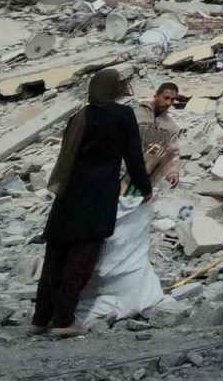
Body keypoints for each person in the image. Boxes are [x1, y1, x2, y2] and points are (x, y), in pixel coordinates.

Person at [32, 69, 151, 337]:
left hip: (68, 193)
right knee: (81, 259)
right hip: (97, 194)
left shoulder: (79, 117)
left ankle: (40, 319)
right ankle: (63, 321)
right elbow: (134, 156)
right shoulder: (122, 115)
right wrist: (144, 188)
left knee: (55, 257)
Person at [134, 82, 180, 189]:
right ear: (156, 97)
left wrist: (172, 173)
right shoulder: (135, 115)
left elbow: (172, 152)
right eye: (166, 98)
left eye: (172, 100)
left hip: (146, 177)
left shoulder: (170, 126)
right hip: (121, 171)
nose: (168, 103)